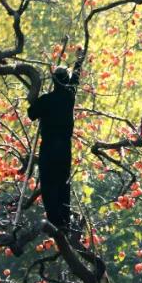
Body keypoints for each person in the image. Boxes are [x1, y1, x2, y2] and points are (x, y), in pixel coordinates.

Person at [28, 54, 83, 231]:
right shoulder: (70, 96)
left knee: (48, 182)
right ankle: (65, 220)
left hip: (49, 147)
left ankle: (55, 219)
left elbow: (31, 114)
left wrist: (34, 99)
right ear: (66, 80)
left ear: (53, 80)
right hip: (64, 147)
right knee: (63, 182)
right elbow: (76, 77)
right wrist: (79, 59)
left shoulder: (46, 100)